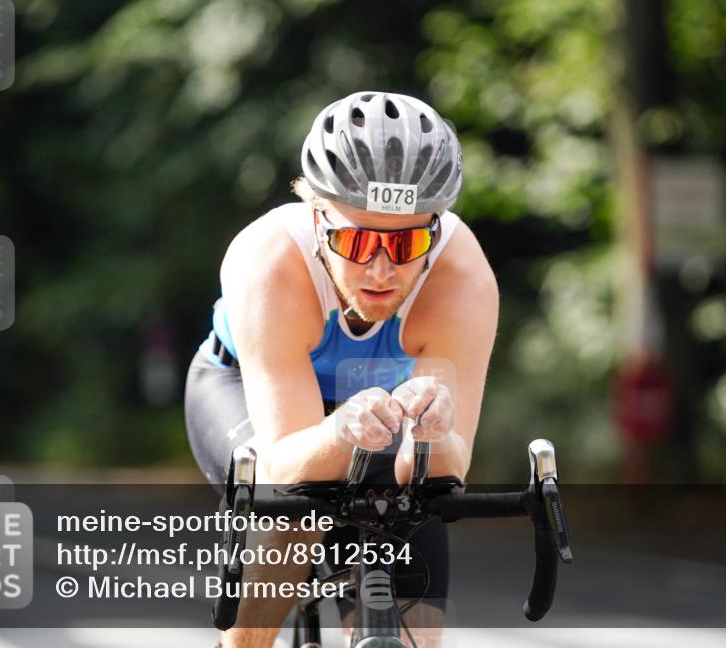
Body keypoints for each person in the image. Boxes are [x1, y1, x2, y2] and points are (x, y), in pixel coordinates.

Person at [185, 91, 499, 648]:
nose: (381, 269)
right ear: (315, 212)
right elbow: (282, 463)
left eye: (408, 242)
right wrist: (337, 431)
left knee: (417, 612)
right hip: (238, 387)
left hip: (381, 410)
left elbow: (446, 470)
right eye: (355, 240)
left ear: (437, 227)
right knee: (295, 512)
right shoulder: (268, 261)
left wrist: (435, 435)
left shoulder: (462, 277)